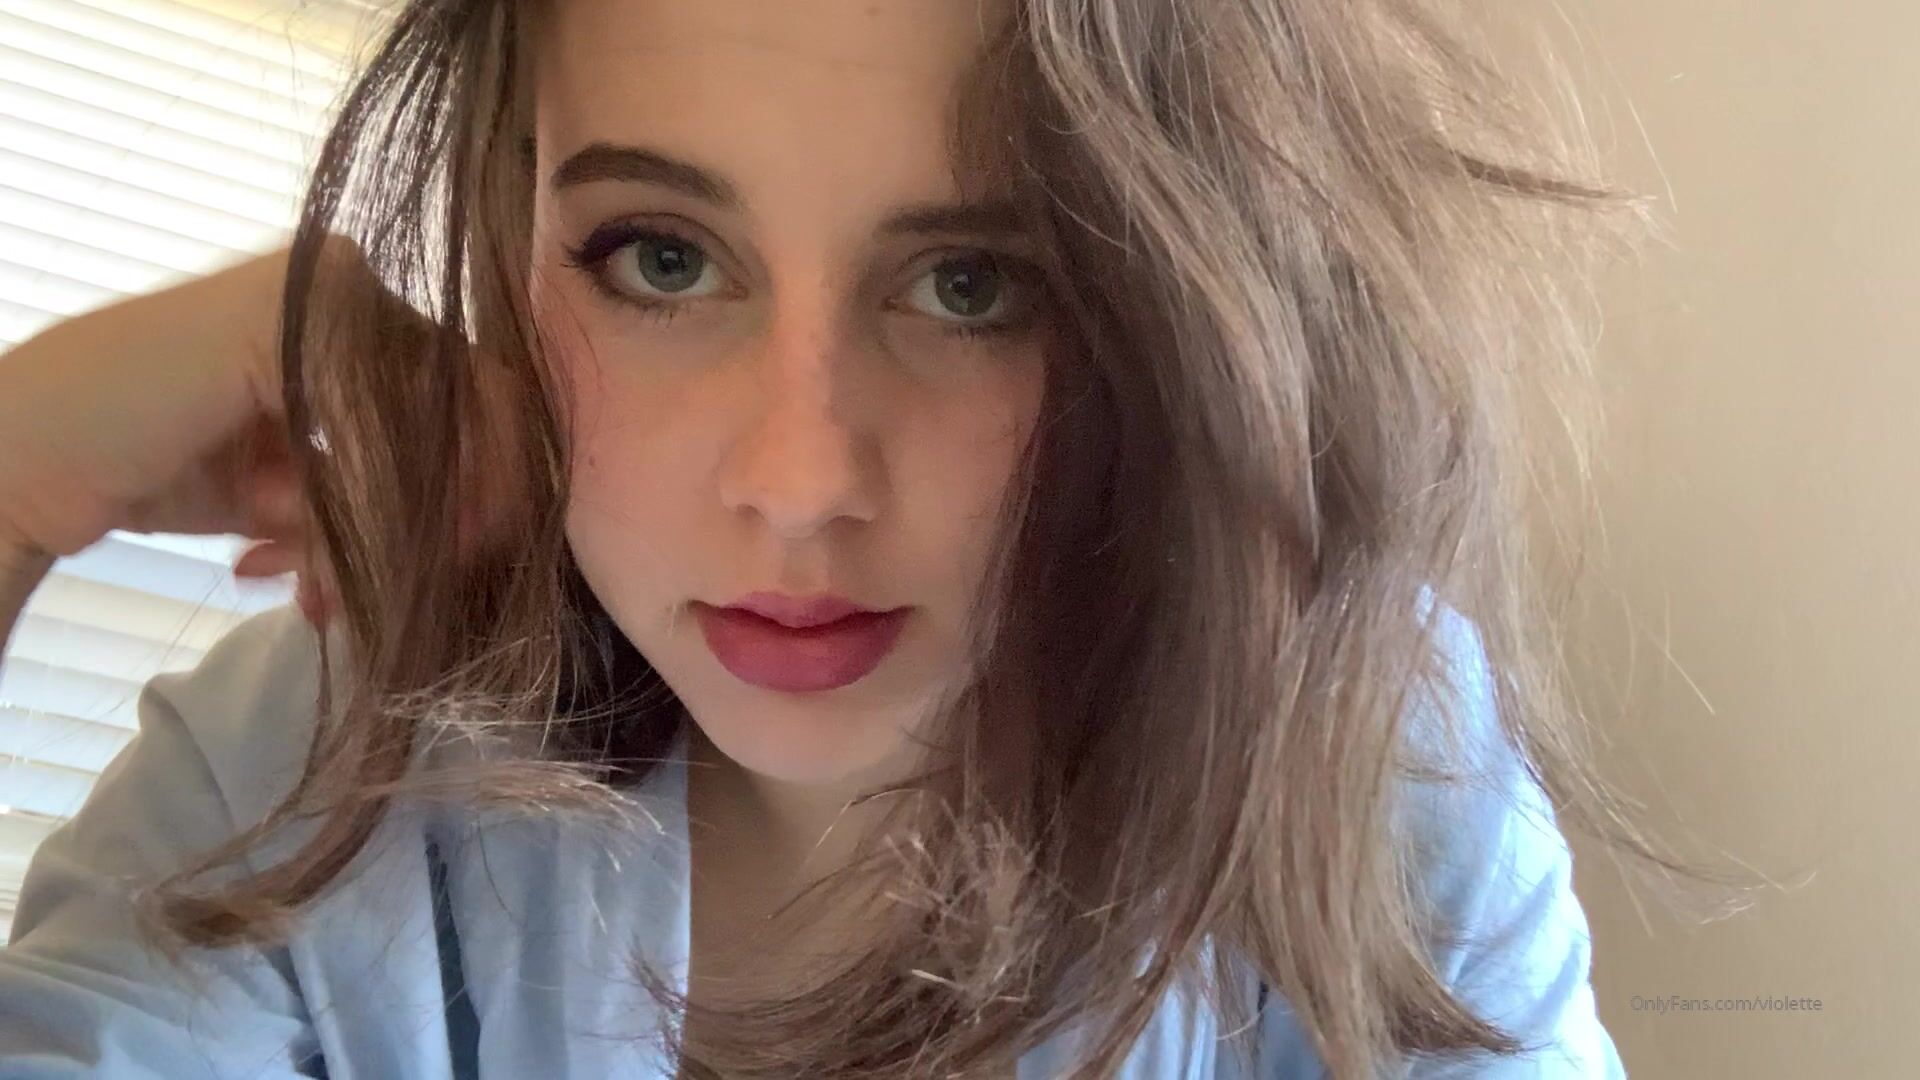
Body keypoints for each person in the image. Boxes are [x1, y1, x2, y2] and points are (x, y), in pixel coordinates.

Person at [0, 0, 1639, 1075]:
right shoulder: (302, 773)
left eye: (974, 284)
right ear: (511, 232)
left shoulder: (1366, 770)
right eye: (660, 259)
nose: (799, 481)